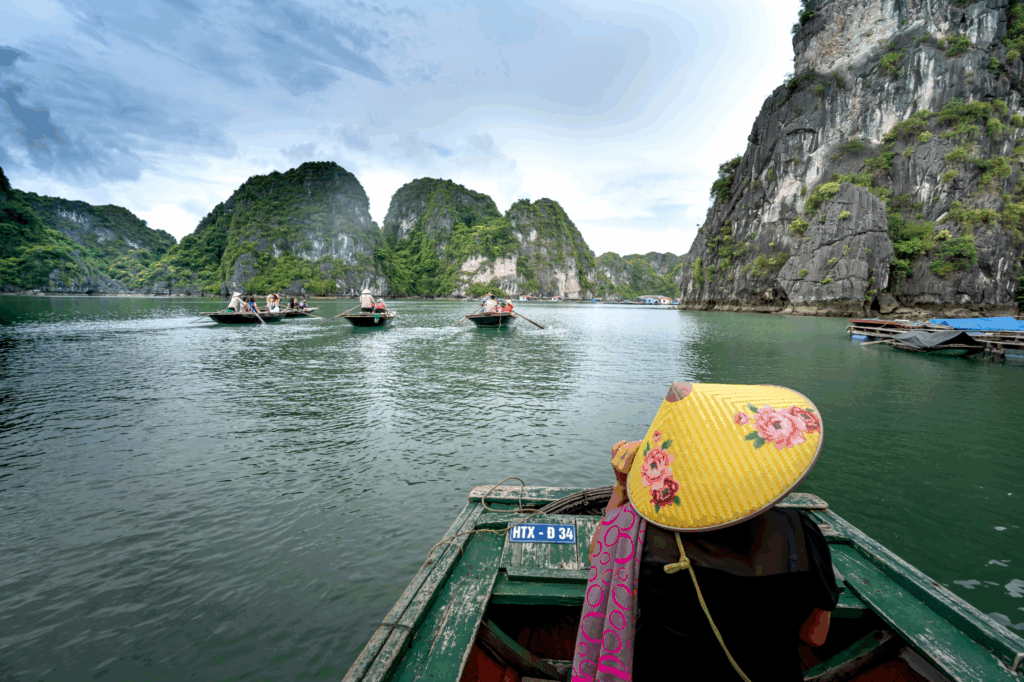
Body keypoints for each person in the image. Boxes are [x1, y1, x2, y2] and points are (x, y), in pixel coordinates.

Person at [572, 382, 837, 682]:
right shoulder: (800, 533)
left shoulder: (637, 529)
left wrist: (622, 486)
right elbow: (815, 636)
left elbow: (599, 556)